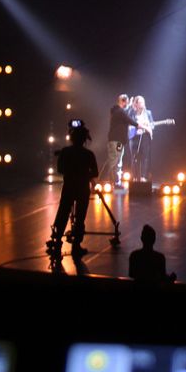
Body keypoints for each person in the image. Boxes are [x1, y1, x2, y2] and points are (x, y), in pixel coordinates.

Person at [51, 122, 100, 257]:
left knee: (63, 214)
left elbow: (60, 169)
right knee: (80, 217)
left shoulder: (65, 152)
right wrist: (84, 175)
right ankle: (76, 246)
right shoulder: (88, 154)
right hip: (82, 189)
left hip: (68, 187)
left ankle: (56, 241)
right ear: (85, 139)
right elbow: (95, 172)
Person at [101, 94, 138, 186]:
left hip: (118, 141)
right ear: (122, 101)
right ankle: (109, 180)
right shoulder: (119, 111)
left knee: (117, 160)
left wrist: (129, 105)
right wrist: (140, 125)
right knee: (114, 160)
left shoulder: (117, 111)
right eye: (126, 102)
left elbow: (125, 113)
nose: (127, 104)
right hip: (117, 141)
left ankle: (114, 180)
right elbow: (129, 120)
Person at [127, 95, 155, 181]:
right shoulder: (132, 112)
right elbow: (128, 122)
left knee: (145, 157)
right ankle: (135, 177)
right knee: (134, 157)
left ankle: (143, 177)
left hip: (144, 137)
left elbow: (152, 125)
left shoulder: (148, 113)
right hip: (134, 137)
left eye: (143, 102)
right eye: (140, 102)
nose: (142, 104)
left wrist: (148, 126)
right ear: (136, 103)